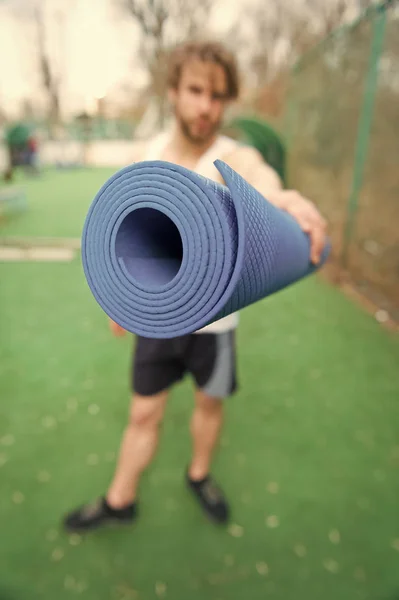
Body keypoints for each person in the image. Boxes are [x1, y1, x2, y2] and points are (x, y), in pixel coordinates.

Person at [64, 40, 327, 532]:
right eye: (196, 90)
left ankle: (199, 474)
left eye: (217, 95)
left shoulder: (238, 158)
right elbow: (126, 237)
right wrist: (120, 295)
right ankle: (121, 499)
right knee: (143, 413)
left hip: (216, 322)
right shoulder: (149, 159)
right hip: (159, 318)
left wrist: (288, 200)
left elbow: (267, 191)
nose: (206, 106)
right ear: (174, 92)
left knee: (210, 401)